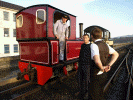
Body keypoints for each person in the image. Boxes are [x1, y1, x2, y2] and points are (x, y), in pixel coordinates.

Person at [90, 27, 119, 100]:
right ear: (101, 36)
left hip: (95, 74)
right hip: (103, 74)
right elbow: (116, 54)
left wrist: (101, 68)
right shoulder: (106, 45)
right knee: (100, 93)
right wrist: (109, 65)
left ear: (92, 36)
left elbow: (97, 61)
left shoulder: (93, 45)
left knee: (94, 95)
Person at [76, 34, 91, 100]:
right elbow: (80, 55)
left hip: (87, 65)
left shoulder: (91, 46)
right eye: (84, 38)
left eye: (86, 38)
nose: (84, 39)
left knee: (87, 79)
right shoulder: (82, 45)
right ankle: (81, 91)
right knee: (79, 78)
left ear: (88, 38)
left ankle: (87, 92)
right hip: (81, 64)